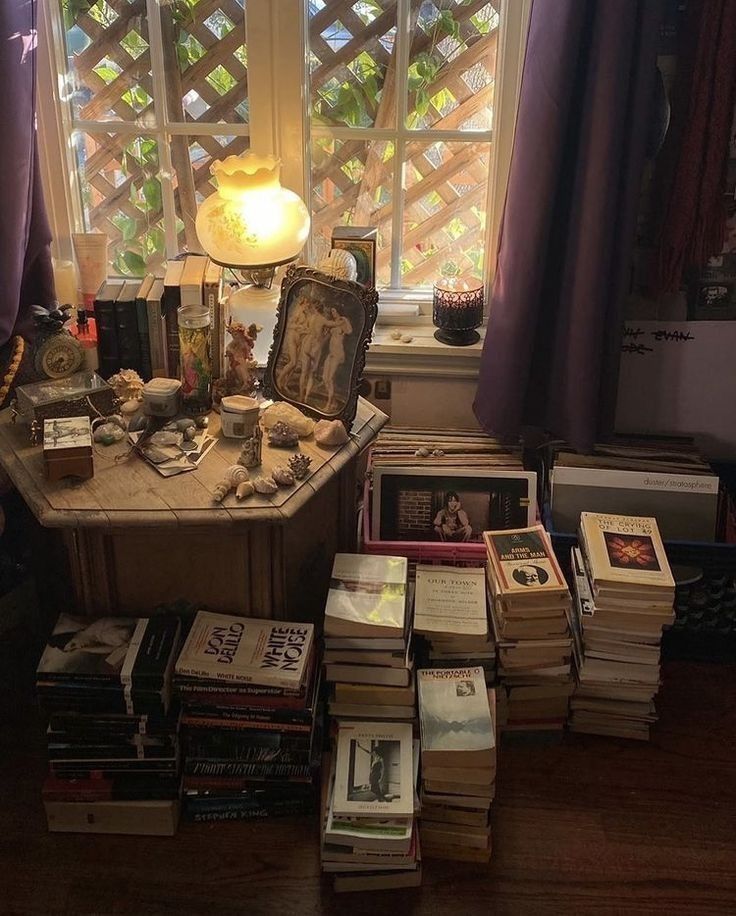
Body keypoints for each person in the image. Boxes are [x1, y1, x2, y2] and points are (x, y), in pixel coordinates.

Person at [321, 307, 353, 412]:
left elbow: (349, 331)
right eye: (332, 311)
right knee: (325, 378)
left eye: (334, 311)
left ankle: (328, 404)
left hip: (337, 353)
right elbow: (326, 337)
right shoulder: (333, 323)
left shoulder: (343, 322)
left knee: (330, 378)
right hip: (331, 352)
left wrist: (345, 320)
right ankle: (333, 402)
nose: (333, 313)